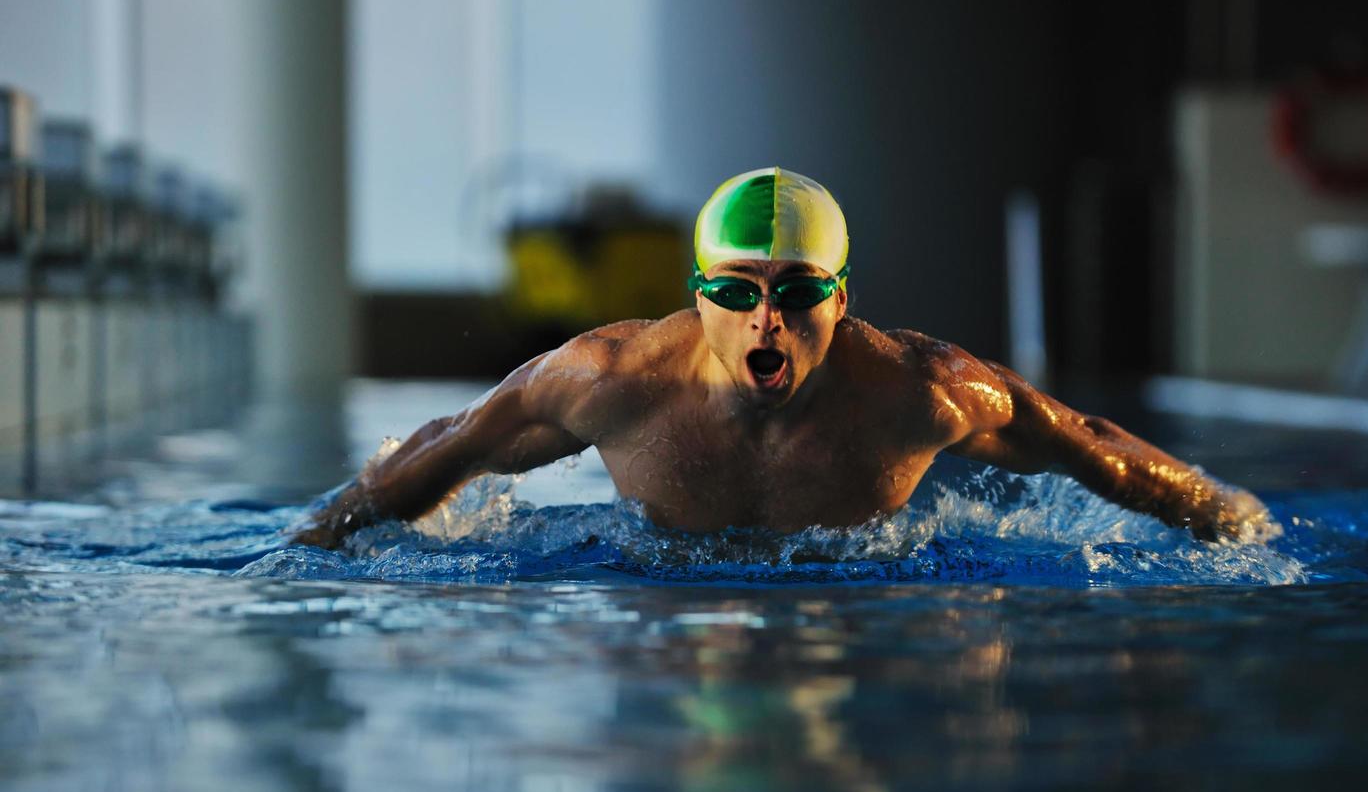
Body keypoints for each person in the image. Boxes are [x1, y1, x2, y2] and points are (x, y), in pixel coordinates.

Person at [289, 168, 1274, 550]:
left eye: (798, 293)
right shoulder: (612, 380)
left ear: (841, 300)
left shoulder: (920, 392)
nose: (767, 320)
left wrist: (1223, 514)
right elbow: (457, 441)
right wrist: (326, 529)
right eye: (736, 292)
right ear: (696, 295)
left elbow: (1081, 439)